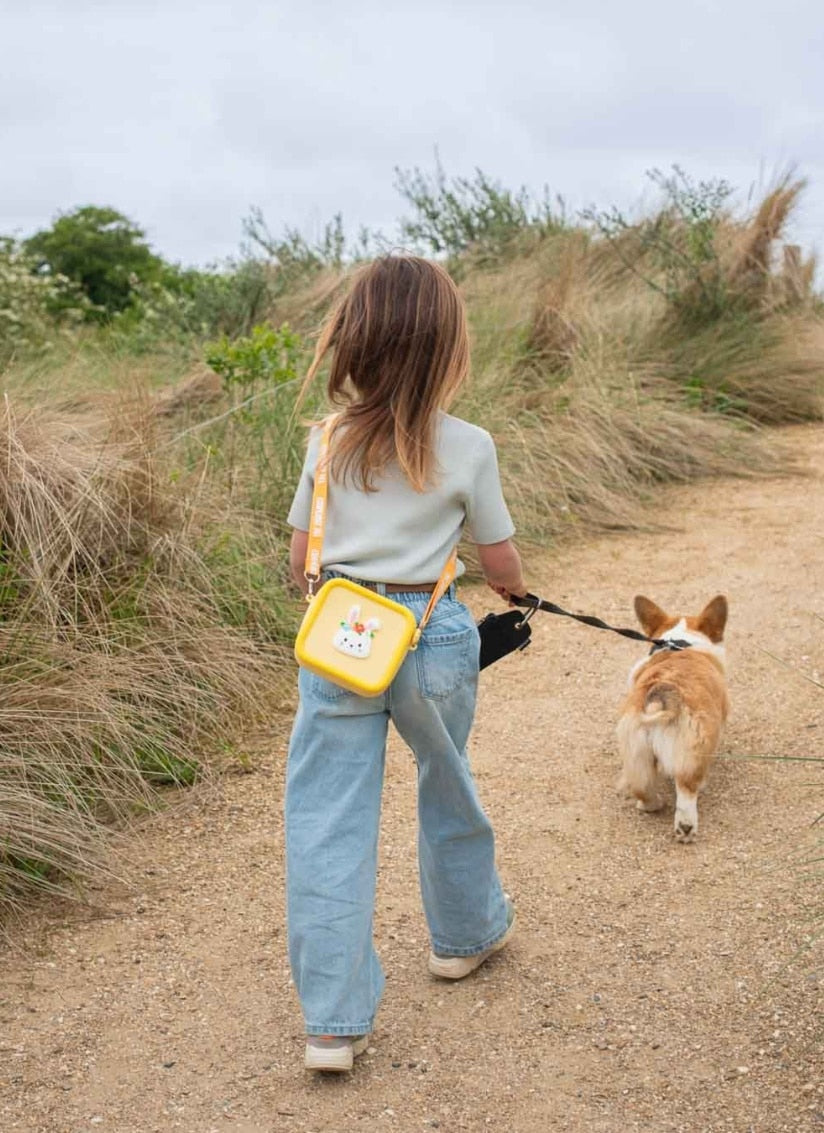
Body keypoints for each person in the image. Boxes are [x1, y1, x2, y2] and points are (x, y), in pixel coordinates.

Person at [285, 254, 528, 1073]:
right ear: (447, 346)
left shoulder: (326, 442)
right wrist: (520, 595)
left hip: (341, 637)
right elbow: (498, 562)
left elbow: (299, 559)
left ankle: (332, 1023)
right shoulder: (469, 446)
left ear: (355, 339)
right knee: (445, 778)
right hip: (432, 635)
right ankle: (462, 938)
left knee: (327, 820)